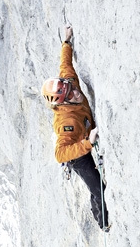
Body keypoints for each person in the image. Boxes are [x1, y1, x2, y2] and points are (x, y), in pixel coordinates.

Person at [41, 26, 109, 231]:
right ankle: (102, 221)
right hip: (76, 154)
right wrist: (87, 143)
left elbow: (65, 63)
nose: (76, 94)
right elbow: (60, 154)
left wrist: (66, 41)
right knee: (98, 187)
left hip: (85, 137)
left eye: (73, 89)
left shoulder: (69, 82)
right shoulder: (64, 123)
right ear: (61, 103)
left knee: (96, 184)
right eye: (70, 96)